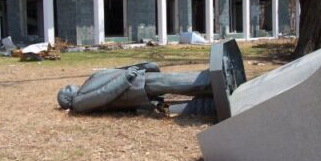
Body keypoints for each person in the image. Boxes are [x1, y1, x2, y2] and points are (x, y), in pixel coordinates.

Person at [57, 62, 213, 114]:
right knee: (169, 81)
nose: (68, 86)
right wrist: (125, 78)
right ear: (67, 98)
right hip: (133, 87)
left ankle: (208, 90)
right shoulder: (78, 102)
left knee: (170, 85)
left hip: (133, 85)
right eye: (65, 89)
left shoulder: (83, 90)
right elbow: (103, 94)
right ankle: (209, 80)